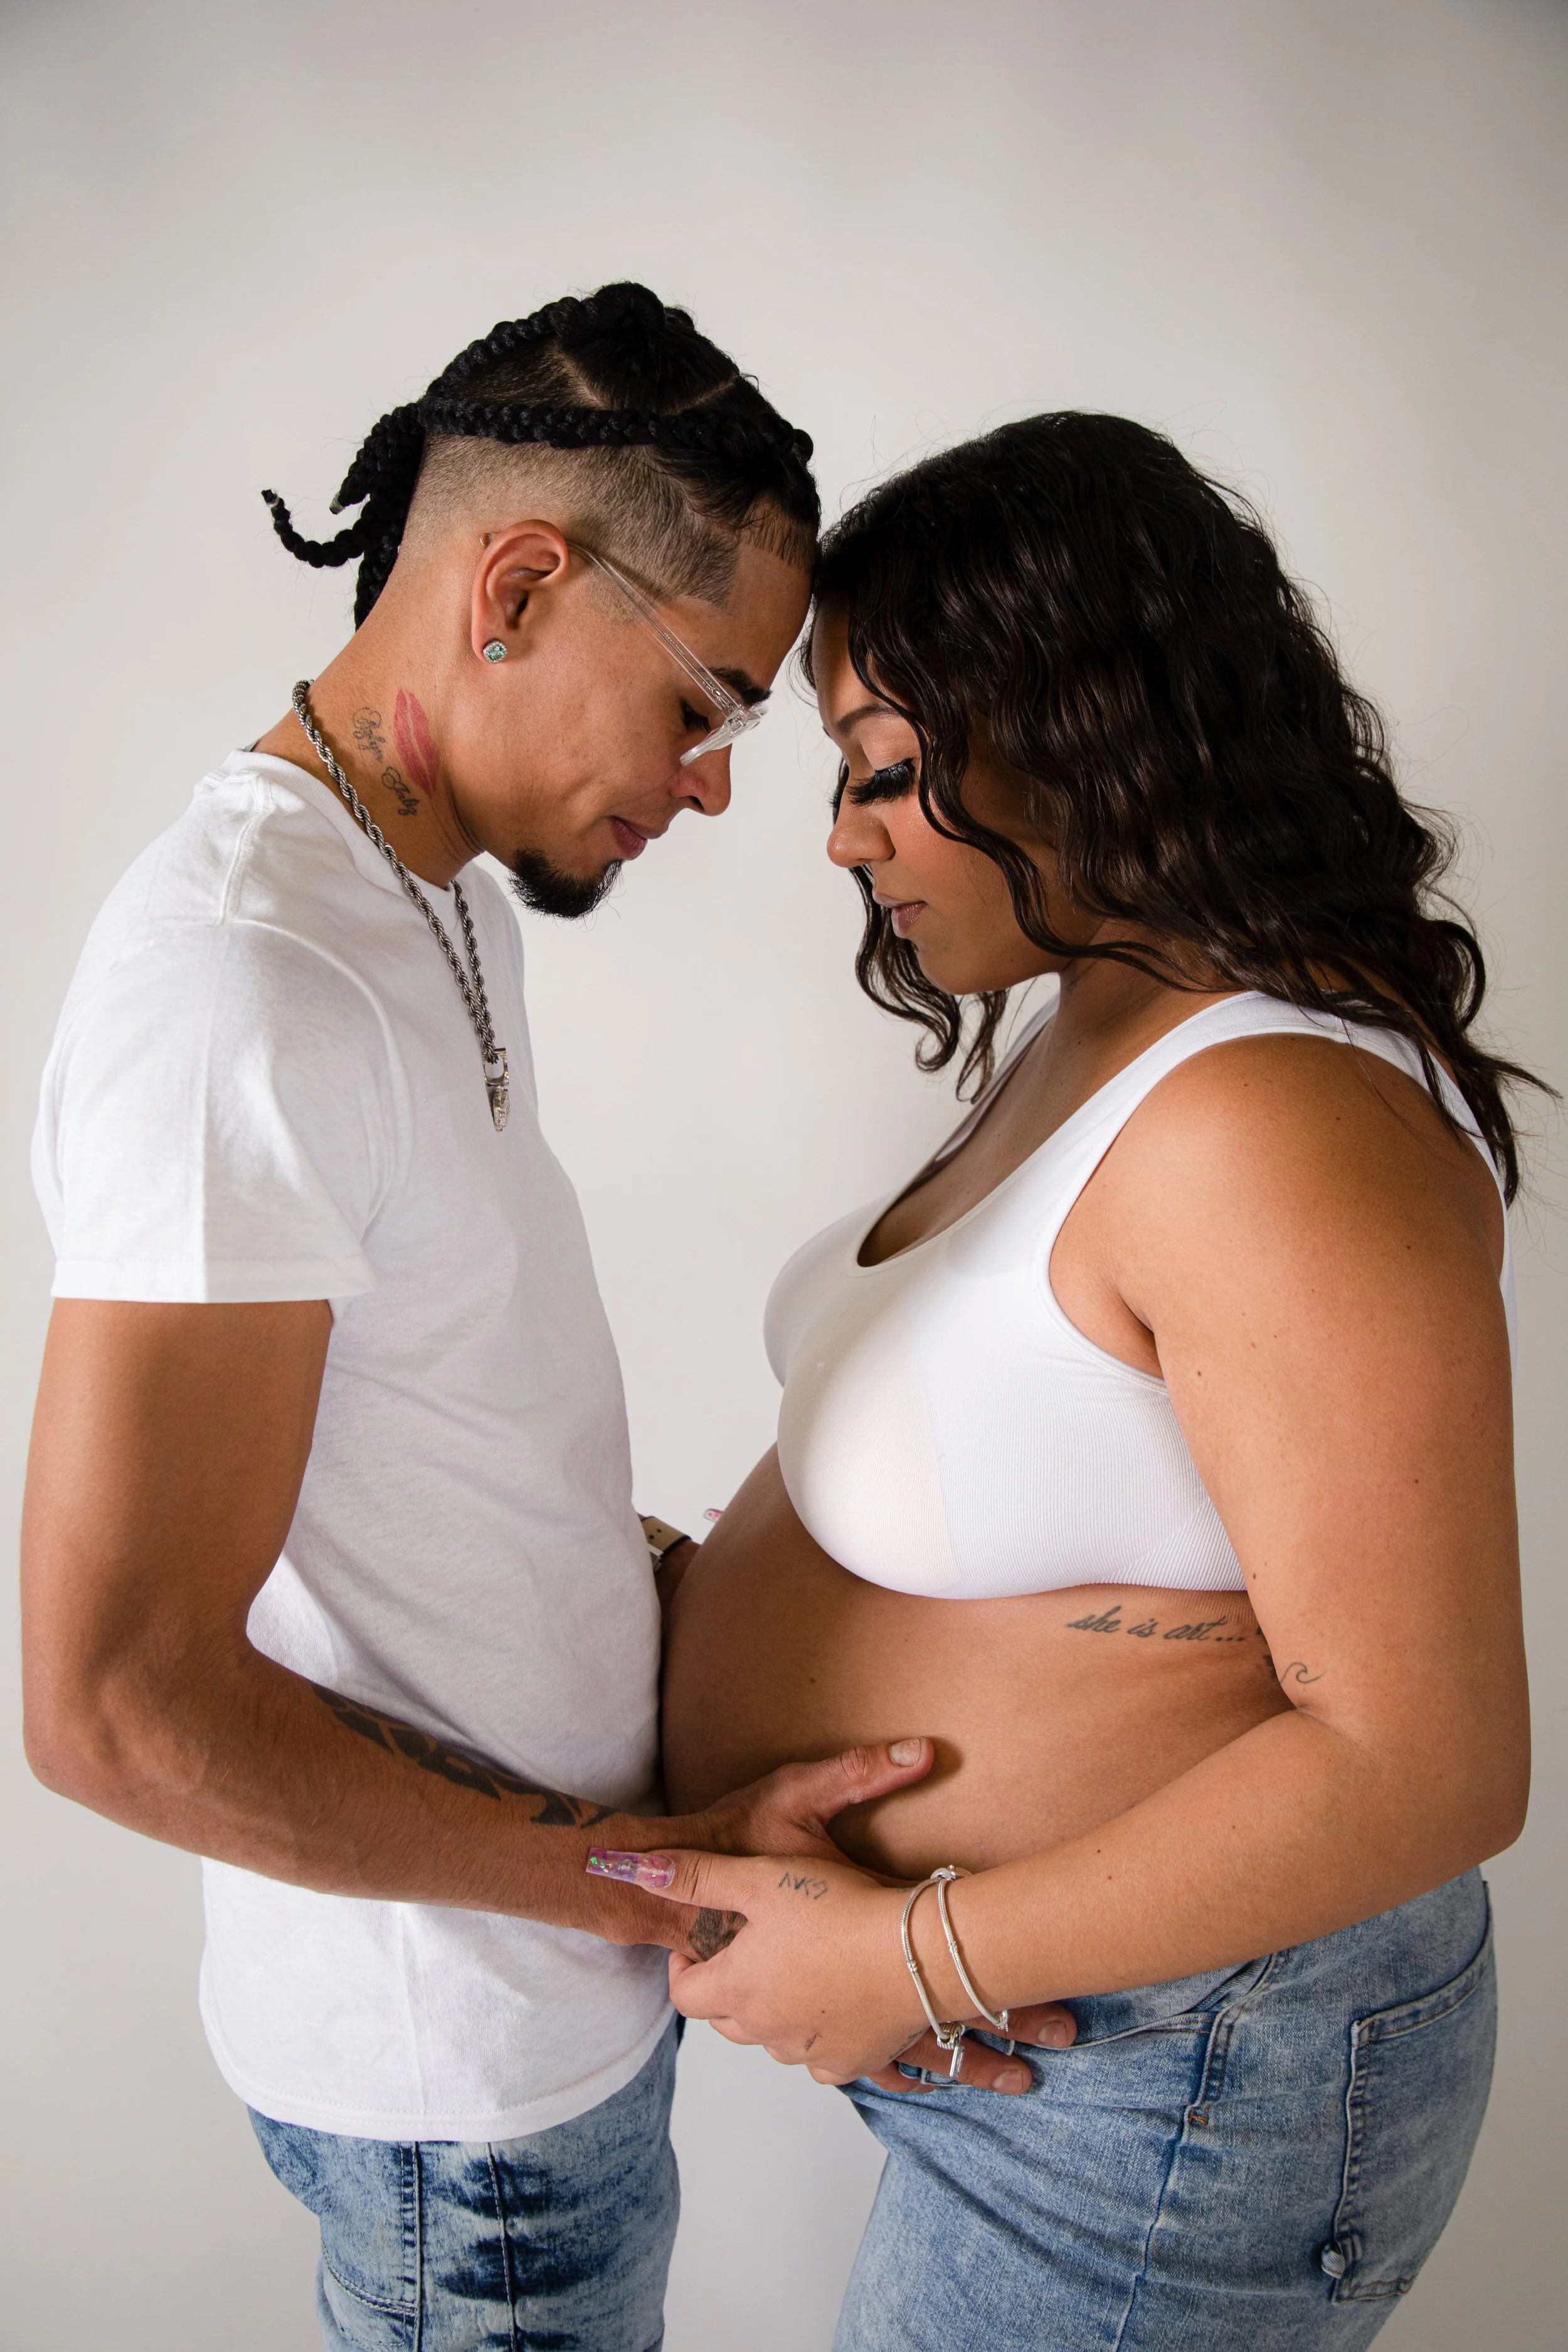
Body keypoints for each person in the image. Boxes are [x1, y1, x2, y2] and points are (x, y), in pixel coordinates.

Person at [19, 282, 976, 2352]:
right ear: (518, 582)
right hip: (460, 2093)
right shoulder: (234, 990)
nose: (719, 789)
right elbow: (108, 1701)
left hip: (540, 2010)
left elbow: (416, 1438)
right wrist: (643, 1876)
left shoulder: (427, 888)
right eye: (707, 705)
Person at [608, 413, 1534, 2348]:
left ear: (1072, 717)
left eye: (878, 767)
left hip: (1163, 2069)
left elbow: (1426, 1759)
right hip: (1057, 2035)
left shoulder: (1271, 1114)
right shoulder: (1083, 1026)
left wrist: (905, 1951)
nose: (842, 833)